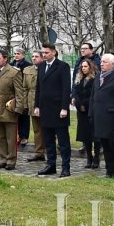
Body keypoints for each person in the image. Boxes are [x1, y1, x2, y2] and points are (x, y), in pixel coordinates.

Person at [33, 42, 72, 176]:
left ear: (54, 52)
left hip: (58, 109)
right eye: (43, 53)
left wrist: (64, 108)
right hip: (45, 108)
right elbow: (38, 87)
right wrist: (37, 105)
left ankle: (66, 167)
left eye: (47, 52)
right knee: (48, 140)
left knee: (63, 141)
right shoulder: (42, 66)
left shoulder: (62, 66)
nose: (44, 55)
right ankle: (51, 165)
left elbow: (66, 88)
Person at [0, 50, 26, 170]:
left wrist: (18, 108)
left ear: (5, 59)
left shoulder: (13, 72)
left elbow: (19, 92)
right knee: (0, 137)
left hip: (9, 108)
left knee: (11, 137)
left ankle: (11, 160)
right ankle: (2, 158)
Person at [72, 57, 98, 169]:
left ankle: (96, 158)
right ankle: (89, 157)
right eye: (82, 66)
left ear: (90, 67)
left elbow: (94, 95)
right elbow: (75, 91)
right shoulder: (79, 79)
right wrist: (76, 100)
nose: (83, 68)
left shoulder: (95, 79)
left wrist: (85, 103)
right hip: (81, 111)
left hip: (92, 110)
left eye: (86, 66)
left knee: (95, 136)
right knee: (86, 136)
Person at [23, 50, 45, 159]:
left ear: (42, 58)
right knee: (37, 129)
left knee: (46, 128)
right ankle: (39, 152)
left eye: (36, 56)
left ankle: (49, 150)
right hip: (32, 101)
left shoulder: (46, 69)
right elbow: (24, 88)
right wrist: (25, 103)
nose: (34, 58)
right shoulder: (27, 70)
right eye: (32, 56)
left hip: (44, 101)